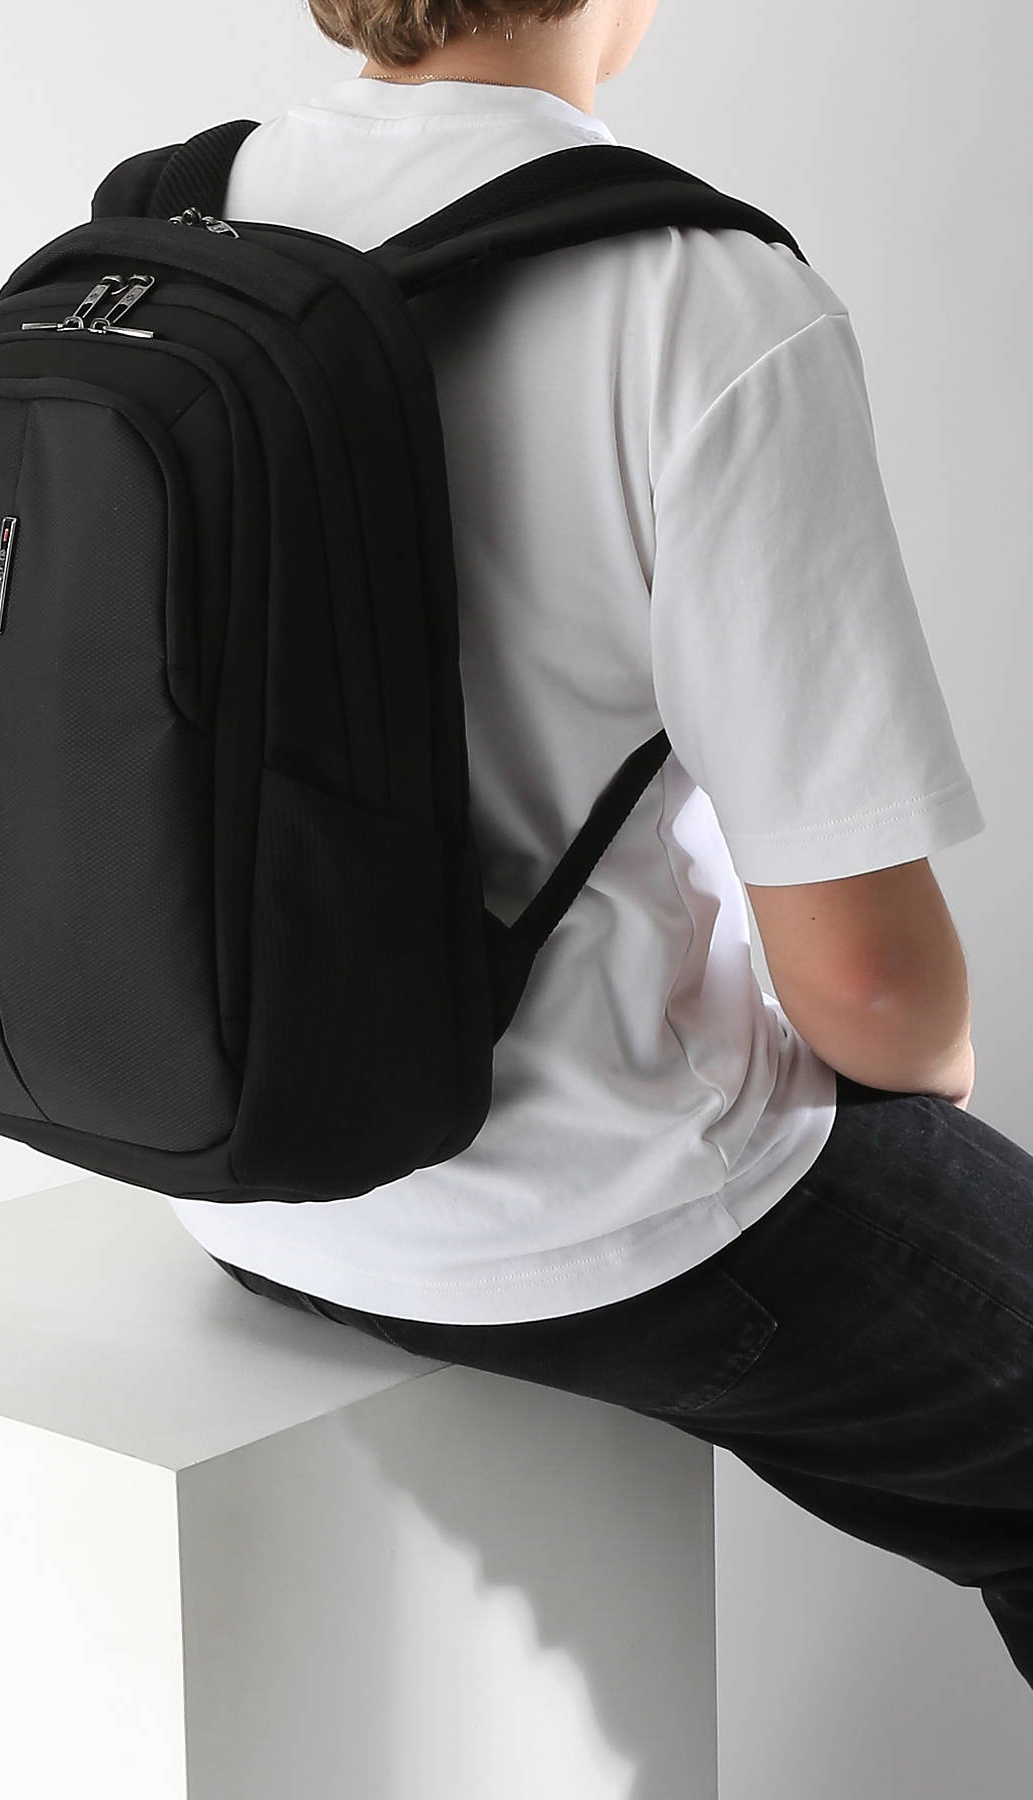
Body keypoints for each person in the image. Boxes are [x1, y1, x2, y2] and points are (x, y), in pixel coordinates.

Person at [162, 0, 1033, 1690]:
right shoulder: (699, 298)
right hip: (587, 1210)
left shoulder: (171, 221)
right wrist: (931, 1069)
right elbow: (867, 987)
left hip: (235, 1172)